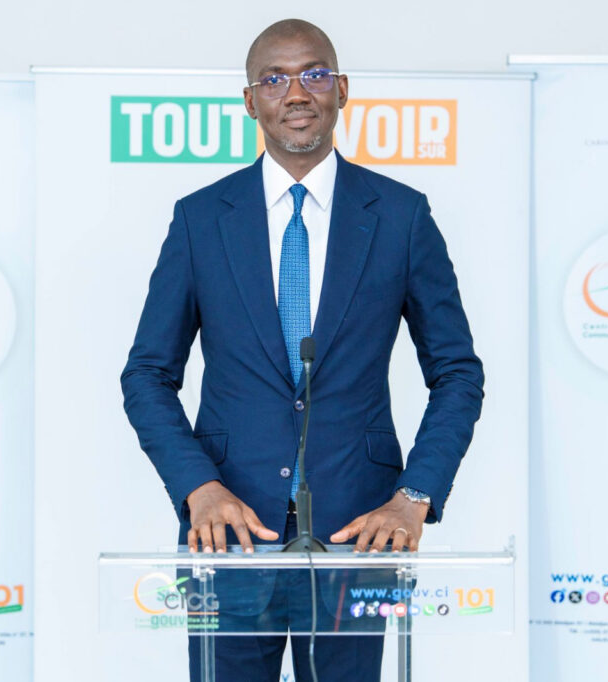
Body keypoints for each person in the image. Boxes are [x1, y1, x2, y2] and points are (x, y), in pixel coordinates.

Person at [120, 18, 484, 682]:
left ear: (341, 89)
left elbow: (457, 372)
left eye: (314, 74)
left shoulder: (400, 216)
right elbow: (146, 374)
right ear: (249, 100)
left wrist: (415, 495)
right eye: (275, 79)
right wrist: (198, 487)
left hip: (359, 533)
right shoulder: (200, 219)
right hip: (227, 534)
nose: (296, 92)